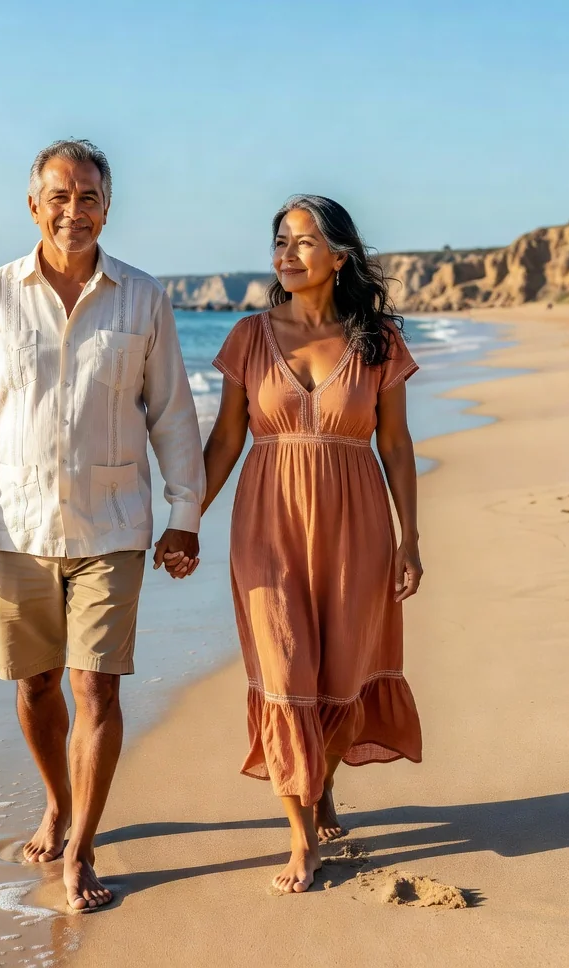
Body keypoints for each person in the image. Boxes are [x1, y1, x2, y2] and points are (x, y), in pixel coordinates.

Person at [0, 139, 205, 910]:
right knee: (36, 684)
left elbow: (172, 413)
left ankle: (81, 845)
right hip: (17, 528)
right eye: (59, 196)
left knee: (96, 685)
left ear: (107, 209)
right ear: (33, 206)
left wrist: (184, 514)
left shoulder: (142, 298)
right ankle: (57, 799)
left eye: (88, 197)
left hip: (112, 525)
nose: (73, 211)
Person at [177, 194, 423, 894]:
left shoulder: (377, 340)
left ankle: (324, 781)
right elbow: (226, 439)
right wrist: (185, 518)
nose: (286, 254)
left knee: (342, 678)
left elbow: (396, 444)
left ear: (339, 257)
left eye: (303, 242)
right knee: (286, 672)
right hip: (267, 525)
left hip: (357, 526)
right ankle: (299, 836)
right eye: (280, 241)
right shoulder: (250, 336)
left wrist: (410, 538)